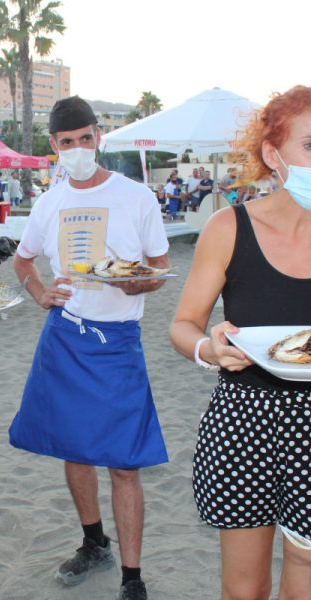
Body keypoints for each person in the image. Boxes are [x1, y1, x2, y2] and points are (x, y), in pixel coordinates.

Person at [9, 96, 169, 600]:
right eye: (67, 142)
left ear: (98, 136)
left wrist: (136, 283)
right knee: (73, 449)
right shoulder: (48, 202)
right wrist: (40, 293)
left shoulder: (135, 196)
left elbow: (160, 267)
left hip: (118, 342)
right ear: (54, 146)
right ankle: (94, 541)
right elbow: (22, 261)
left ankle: (132, 576)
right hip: (65, 336)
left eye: (85, 138)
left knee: (123, 462)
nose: (78, 148)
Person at [170, 85, 311, 600]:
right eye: (310, 146)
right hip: (243, 419)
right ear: (273, 154)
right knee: (244, 590)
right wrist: (208, 349)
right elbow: (184, 323)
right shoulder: (228, 226)